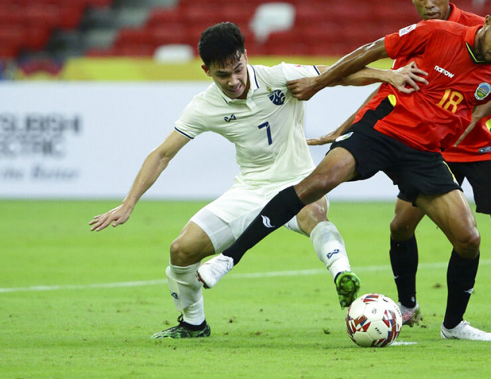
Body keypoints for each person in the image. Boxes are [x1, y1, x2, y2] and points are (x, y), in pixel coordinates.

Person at [198, 0, 491, 341]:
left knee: (469, 238)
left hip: (423, 154)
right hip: (381, 129)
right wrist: (320, 82)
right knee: (318, 182)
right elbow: (370, 51)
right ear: (487, 21)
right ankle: (228, 258)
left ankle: (454, 325)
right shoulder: (436, 32)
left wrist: (466, 121)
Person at [88, 22, 426, 339]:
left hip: (300, 181)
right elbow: (162, 154)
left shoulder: (278, 76)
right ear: (206, 71)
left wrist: (388, 75)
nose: (234, 80)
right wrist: (129, 203)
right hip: (250, 190)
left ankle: (343, 275)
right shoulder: (203, 106)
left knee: (313, 214)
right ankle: (193, 324)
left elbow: (338, 75)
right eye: (223, 75)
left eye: (237, 69)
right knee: (181, 250)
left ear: (245, 56)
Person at [305, 0, 491, 336]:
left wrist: (478, 113)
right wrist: (344, 128)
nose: (429, 4)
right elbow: (388, 90)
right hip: (432, 147)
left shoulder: (481, 28)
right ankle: (407, 306)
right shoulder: (423, 34)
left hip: (480, 145)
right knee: (401, 226)